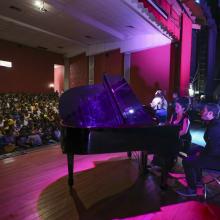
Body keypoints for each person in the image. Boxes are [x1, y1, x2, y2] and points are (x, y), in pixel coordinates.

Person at [176, 103, 220, 197]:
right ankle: (198, 181)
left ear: (210, 113)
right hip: (214, 153)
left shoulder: (215, 128)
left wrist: (201, 154)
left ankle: (192, 189)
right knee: (193, 150)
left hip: (217, 159)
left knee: (187, 162)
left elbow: (214, 150)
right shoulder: (214, 123)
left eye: (204, 111)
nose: (201, 113)